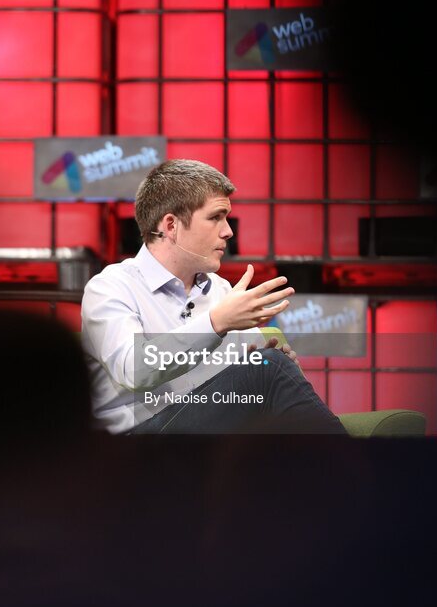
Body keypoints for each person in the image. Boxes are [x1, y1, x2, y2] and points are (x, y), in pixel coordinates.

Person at [81, 159, 347, 434]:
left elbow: (249, 383)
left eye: (227, 218)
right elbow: (133, 369)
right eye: (215, 217)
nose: (228, 231)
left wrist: (266, 365)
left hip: (206, 441)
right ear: (171, 226)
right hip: (135, 446)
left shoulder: (222, 291)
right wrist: (215, 323)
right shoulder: (110, 287)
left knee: (271, 370)